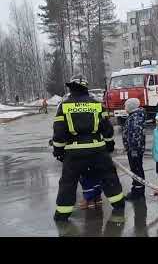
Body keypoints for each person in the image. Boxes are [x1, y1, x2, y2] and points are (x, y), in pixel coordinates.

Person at [51, 74, 124, 221]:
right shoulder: (97, 104)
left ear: (71, 88)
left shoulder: (64, 106)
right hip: (98, 149)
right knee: (109, 176)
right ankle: (118, 204)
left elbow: (59, 132)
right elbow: (107, 129)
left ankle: (62, 214)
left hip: (74, 152)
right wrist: (109, 145)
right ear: (86, 87)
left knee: (68, 182)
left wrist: (58, 151)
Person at [122, 98, 146, 201]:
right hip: (133, 149)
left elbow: (135, 135)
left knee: (136, 170)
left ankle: (138, 192)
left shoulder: (134, 118)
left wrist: (133, 149)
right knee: (136, 169)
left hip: (134, 150)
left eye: (125, 106)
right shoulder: (134, 116)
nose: (124, 108)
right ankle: (137, 189)